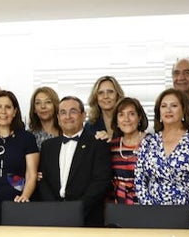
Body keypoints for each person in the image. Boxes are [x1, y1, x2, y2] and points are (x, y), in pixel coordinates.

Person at [134, 88, 189, 228]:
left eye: (174, 106)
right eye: (164, 106)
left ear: (183, 110)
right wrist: (150, 209)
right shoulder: (148, 142)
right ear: (159, 112)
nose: (168, 110)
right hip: (152, 215)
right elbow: (140, 180)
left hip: (186, 216)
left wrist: (185, 213)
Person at [35, 96, 112, 225]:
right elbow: (42, 180)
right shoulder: (48, 146)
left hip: (87, 219)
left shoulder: (98, 144)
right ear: (58, 118)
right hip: (53, 217)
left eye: (73, 111)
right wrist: (56, 208)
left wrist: (75, 209)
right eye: (63, 112)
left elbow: (101, 182)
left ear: (83, 115)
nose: (68, 116)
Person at [0, 90, 39, 224]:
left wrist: (24, 197)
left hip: (18, 201)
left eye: (8, 107)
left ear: (15, 112)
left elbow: (31, 174)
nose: (3, 111)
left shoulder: (27, 138)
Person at [109, 97, 148, 205]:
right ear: (116, 120)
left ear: (139, 117)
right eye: (121, 114)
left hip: (145, 204)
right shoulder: (111, 146)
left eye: (131, 114)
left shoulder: (151, 143)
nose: (126, 119)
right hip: (117, 204)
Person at [85, 75, 124, 140]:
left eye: (110, 92)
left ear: (118, 95)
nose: (105, 96)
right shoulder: (90, 126)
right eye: (100, 93)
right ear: (96, 97)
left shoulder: (127, 121)